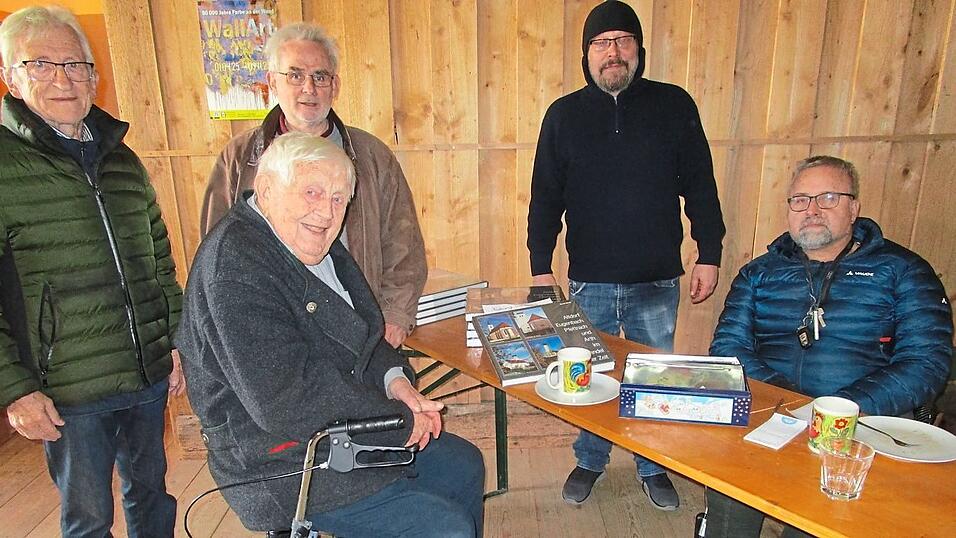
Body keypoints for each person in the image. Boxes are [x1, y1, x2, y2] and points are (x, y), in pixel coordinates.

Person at [177, 132, 484, 536]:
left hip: (342, 427)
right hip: (281, 456)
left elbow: (364, 333)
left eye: (339, 199)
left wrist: (397, 386)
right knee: (444, 528)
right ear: (266, 190)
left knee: (463, 465)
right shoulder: (234, 267)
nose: (325, 211)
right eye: (311, 191)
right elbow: (284, 400)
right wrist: (398, 420)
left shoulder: (312, 243)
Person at [527, 0, 725, 510]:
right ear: (586, 55)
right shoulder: (562, 116)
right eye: (601, 43)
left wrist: (710, 252)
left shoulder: (675, 106)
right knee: (588, 375)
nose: (612, 52)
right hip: (589, 281)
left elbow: (701, 185)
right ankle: (590, 459)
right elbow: (545, 196)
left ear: (639, 49)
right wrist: (539, 267)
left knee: (647, 378)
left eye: (622, 40)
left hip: (657, 280)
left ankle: (651, 463)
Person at [0, 6, 184, 536]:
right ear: (12, 78)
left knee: (152, 497)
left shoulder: (122, 159)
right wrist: (14, 389)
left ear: (93, 75)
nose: (62, 78)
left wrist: (174, 342)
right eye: (41, 64)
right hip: (66, 391)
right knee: (88, 518)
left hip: (145, 374)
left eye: (76, 65)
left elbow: (159, 259)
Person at [705, 155, 953, 537]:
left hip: (864, 424)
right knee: (726, 488)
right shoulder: (759, 273)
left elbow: (926, 364)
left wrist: (839, 410)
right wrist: (788, 403)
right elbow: (728, 349)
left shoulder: (903, 270)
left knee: (815, 519)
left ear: (854, 207)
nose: (812, 210)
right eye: (800, 200)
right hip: (773, 414)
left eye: (829, 198)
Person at [201, 22, 426, 349]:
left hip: (357, 325)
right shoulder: (239, 159)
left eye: (320, 76)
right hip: (271, 329)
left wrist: (394, 317)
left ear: (334, 86)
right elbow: (215, 249)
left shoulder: (372, 155)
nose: (309, 88)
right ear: (271, 83)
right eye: (294, 75)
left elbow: (403, 244)